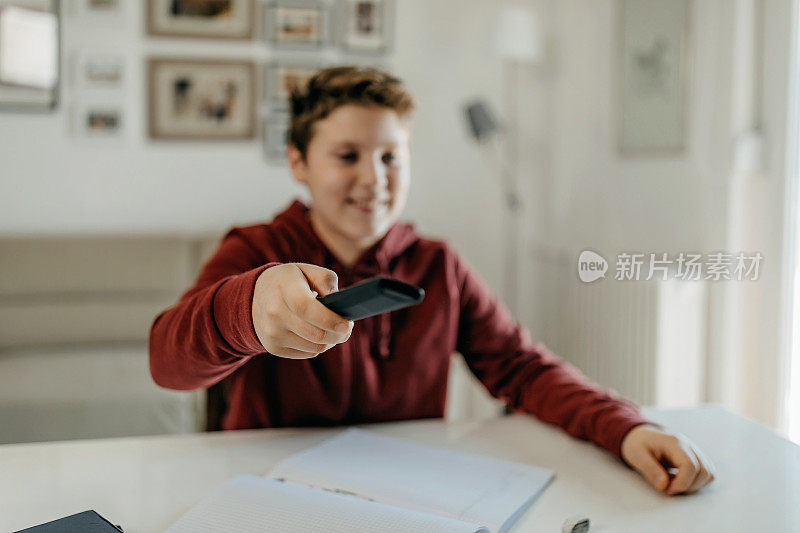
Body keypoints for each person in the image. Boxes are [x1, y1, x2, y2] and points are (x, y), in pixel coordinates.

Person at [149, 66, 714, 496]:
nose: (374, 179)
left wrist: (624, 428)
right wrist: (244, 309)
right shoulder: (256, 251)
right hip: (273, 491)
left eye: (392, 157)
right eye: (347, 155)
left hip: (401, 493)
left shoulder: (438, 265)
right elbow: (167, 362)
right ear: (299, 162)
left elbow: (522, 369)